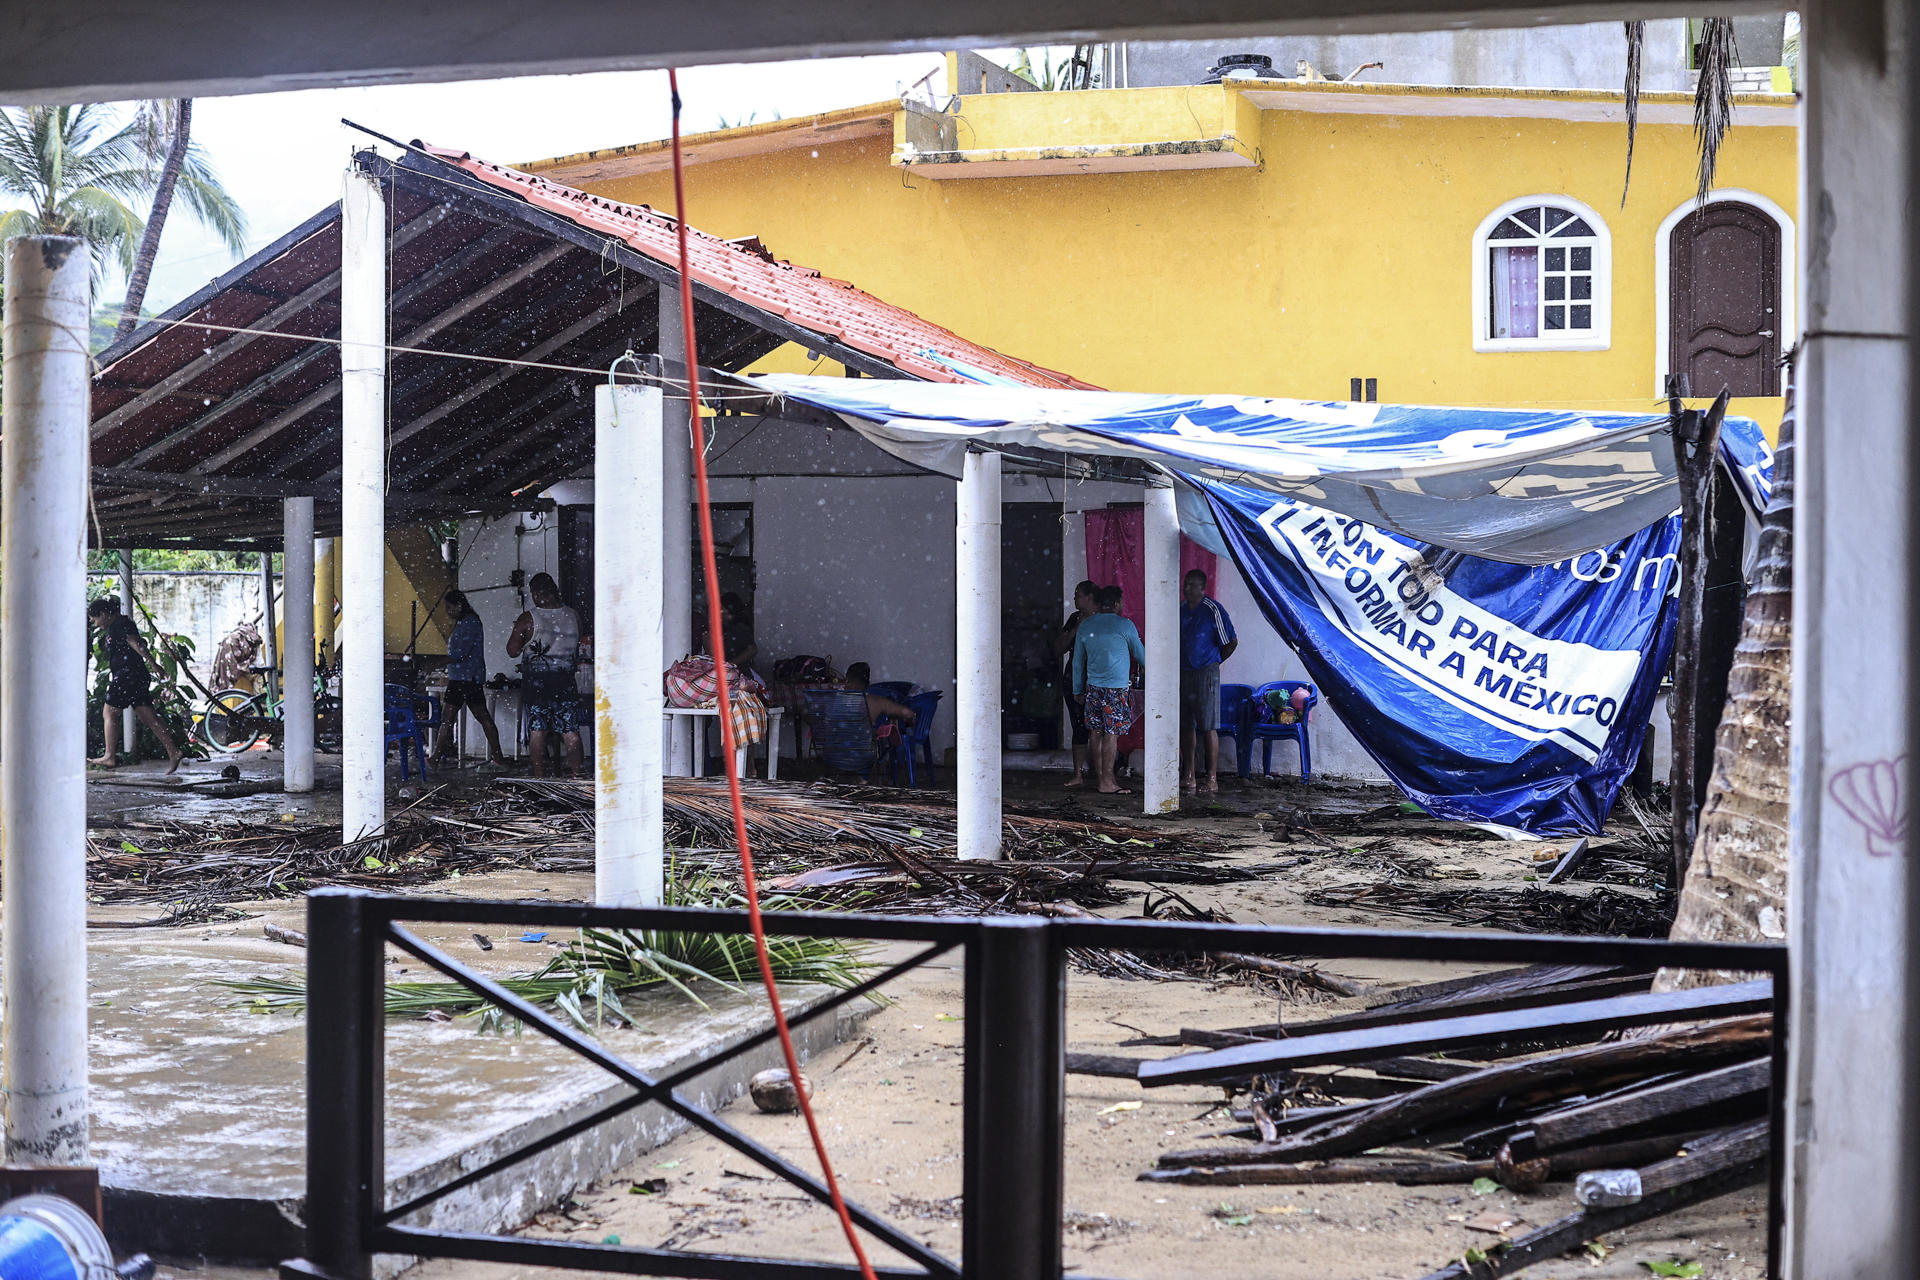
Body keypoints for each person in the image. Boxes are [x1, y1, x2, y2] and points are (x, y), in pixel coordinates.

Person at [87, 597, 182, 773]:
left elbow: (137, 644)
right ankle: (174, 751)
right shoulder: (120, 624)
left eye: (95, 619)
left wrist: (155, 666)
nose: (96, 624)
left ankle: (109, 755)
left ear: (104, 614)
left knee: (109, 712)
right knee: (149, 717)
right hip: (135, 676)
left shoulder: (120, 625)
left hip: (127, 676)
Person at [506, 573, 583, 778]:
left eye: (533, 593)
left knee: (538, 728)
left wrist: (522, 636)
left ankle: (540, 776)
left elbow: (512, 650)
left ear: (539, 593)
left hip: (537, 684)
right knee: (570, 729)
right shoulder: (573, 615)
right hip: (565, 681)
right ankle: (577, 776)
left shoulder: (529, 618)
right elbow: (577, 644)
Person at [1071, 585, 1144, 795]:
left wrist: (1077, 688)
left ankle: (1104, 778)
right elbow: (1141, 655)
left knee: (1095, 733)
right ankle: (1107, 782)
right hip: (1116, 690)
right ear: (1115, 604)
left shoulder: (1086, 625)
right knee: (1111, 735)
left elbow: (1077, 662)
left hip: (1092, 688)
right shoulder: (1125, 625)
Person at [1179, 569, 1239, 794]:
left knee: (1208, 726)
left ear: (1202, 588)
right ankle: (1189, 775)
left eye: (1193, 585)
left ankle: (1212, 778)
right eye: (1186, 584)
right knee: (1186, 726)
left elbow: (1230, 642)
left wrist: (1213, 662)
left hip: (1206, 672)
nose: (1188, 589)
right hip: (1183, 672)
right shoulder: (1181, 610)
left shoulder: (1212, 609)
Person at [435, 589, 507, 768]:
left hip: (466, 678)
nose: (447, 611)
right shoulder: (464, 622)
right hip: (464, 677)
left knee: (460, 718)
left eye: (450, 607)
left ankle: (435, 757)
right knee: (468, 717)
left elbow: (460, 653)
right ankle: (435, 757)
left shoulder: (470, 623)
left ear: (459, 606)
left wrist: (436, 661)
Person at [1052, 579, 1099, 789]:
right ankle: (1078, 773)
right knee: (1078, 726)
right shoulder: (1074, 618)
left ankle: (1102, 774)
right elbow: (1059, 648)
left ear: (1089, 597)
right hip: (1074, 677)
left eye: (1078, 594)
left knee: (1099, 728)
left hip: (1099, 677)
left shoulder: (1103, 619)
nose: (1074, 598)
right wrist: (1076, 628)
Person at [844, 662, 916, 725]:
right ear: (868, 683)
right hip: (869, 739)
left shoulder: (839, 700)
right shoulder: (875, 701)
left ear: (847, 681)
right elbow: (909, 714)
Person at [718, 592, 759, 671]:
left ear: (729, 610)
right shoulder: (726, 627)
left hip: (738, 674)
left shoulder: (739, 627)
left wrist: (730, 664)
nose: (720, 612)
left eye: (722, 608)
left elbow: (752, 650)